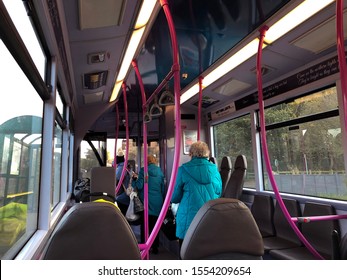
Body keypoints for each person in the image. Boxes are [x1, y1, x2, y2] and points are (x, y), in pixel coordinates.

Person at [171, 141, 222, 247]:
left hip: (188, 215)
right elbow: (218, 192)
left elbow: (175, 197)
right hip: (209, 214)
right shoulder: (214, 170)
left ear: (191, 153)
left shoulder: (183, 170)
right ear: (206, 153)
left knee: (185, 250)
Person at [132, 154, 165, 254]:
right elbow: (162, 189)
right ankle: (155, 246)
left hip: (146, 201)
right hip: (157, 201)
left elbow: (140, 186)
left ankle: (144, 245)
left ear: (146, 162)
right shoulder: (160, 172)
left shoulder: (144, 171)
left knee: (145, 224)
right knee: (155, 225)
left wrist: (134, 180)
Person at [115, 149, 131, 215]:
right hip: (126, 193)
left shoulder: (121, 168)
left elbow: (117, 179)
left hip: (123, 195)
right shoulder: (126, 167)